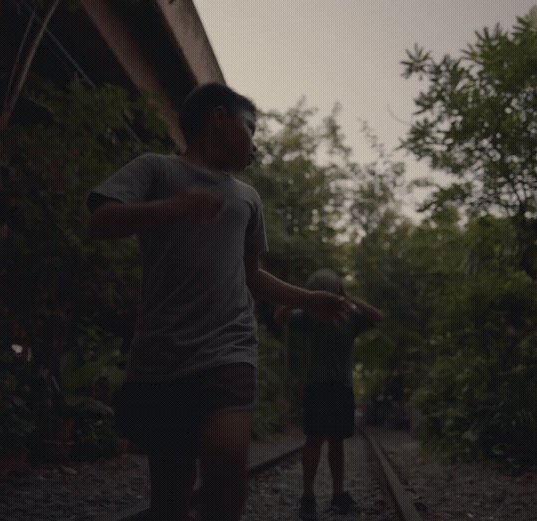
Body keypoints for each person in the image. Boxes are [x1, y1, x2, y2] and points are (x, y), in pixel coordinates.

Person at [86, 83, 350, 521]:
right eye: (251, 128)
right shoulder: (156, 169)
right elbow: (99, 222)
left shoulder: (248, 197)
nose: (255, 143)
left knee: (228, 463)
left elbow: (252, 276)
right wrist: (175, 207)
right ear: (219, 119)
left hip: (230, 347)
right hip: (161, 354)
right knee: (171, 495)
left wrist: (309, 300)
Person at [274, 268, 383, 521]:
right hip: (317, 387)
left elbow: (378, 317)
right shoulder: (310, 317)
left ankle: (338, 494)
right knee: (313, 441)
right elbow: (280, 316)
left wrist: (350, 298)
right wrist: (305, 298)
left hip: (342, 388)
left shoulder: (351, 319)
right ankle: (308, 497)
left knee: (337, 442)